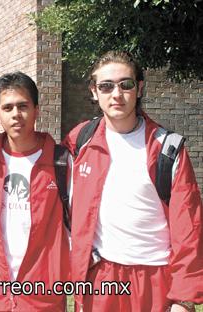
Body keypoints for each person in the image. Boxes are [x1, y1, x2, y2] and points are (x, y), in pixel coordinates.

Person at [62, 51, 203, 311]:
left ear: (139, 88)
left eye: (125, 84)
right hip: (101, 276)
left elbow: (189, 226)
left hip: (156, 278)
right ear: (94, 92)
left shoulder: (167, 147)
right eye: (106, 86)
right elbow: (42, 159)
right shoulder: (80, 139)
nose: (116, 94)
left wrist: (184, 298)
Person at [0, 72, 69, 311]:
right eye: (7, 108)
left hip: (42, 297)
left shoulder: (63, 162)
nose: (16, 114)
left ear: (36, 109)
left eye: (23, 106)